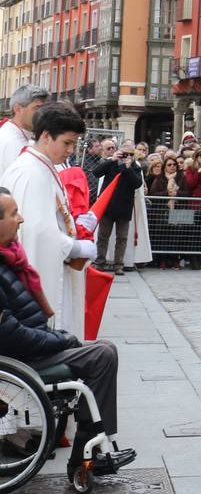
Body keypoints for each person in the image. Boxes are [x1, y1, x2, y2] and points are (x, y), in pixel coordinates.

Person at [0, 186, 136, 482]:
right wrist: (60, 339)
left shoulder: (9, 258)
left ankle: (91, 449)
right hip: (19, 361)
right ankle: (89, 454)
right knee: (102, 354)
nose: (21, 219)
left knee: (101, 351)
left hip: (26, 352)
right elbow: (10, 335)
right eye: (13, 214)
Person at [0, 102, 93, 336]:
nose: (71, 150)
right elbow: (35, 231)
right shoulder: (31, 171)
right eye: (67, 143)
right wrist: (74, 246)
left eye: (75, 143)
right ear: (46, 136)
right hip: (44, 265)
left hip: (57, 263)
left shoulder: (44, 166)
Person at [93, 144, 144, 273]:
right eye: (124, 153)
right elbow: (96, 172)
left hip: (124, 207)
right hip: (108, 206)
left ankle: (119, 265)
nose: (127, 157)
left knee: (122, 238)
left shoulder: (135, 167)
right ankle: (100, 262)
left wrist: (128, 168)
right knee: (103, 236)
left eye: (130, 154)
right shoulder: (111, 163)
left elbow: (137, 183)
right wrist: (112, 159)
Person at [0, 84, 49, 174]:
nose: (42, 114)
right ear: (17, 109)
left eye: (44, 109)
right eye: (37, 108)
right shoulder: (12, 142)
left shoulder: (14, 133)